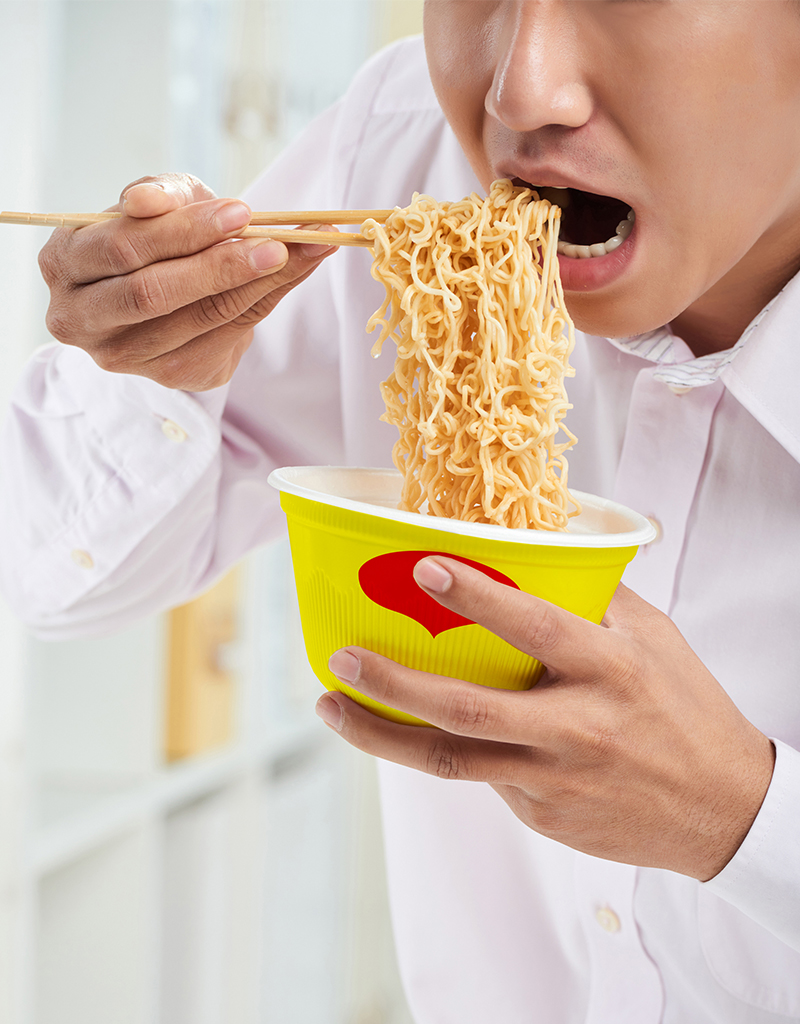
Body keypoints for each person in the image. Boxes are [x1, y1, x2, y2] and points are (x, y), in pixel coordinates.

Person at [3, 2, 800, 1020]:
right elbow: (54, 570)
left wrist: (738, 818)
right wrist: (157, 364)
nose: (521, 90)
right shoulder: (402, 148)